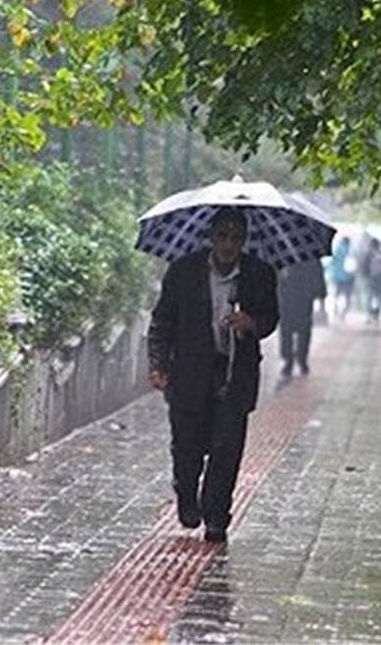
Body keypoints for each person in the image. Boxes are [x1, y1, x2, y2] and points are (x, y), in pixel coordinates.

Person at [147, 207, 278, 543]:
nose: (228, 244)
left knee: (226, 449)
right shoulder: (183, 271)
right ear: (211, 236)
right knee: (187, 446)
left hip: (234, 375)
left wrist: (251, 323)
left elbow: (270, 318)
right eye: (222, 236)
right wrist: (158, 363)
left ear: (244, 240)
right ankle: (186, 494)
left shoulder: (260, 274)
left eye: (236, 237)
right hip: (188, 373)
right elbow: (162, 320)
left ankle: (217, 517)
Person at [277, 259, 327, 378]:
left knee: (297, 330)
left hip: (299, 297)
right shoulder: (309, 255)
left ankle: (296, 359)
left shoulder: (285, 255)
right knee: (293, 330)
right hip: (291, 297)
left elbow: (317, 274)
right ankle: (294, 359)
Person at [329, 236, 354, 320]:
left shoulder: (337, 249)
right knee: (347, 296)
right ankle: (343, 313)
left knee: (337, 294)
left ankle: (336, 310)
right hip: (348, 277)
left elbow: (332, 262)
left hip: (337, 276)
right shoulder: (351, 251)